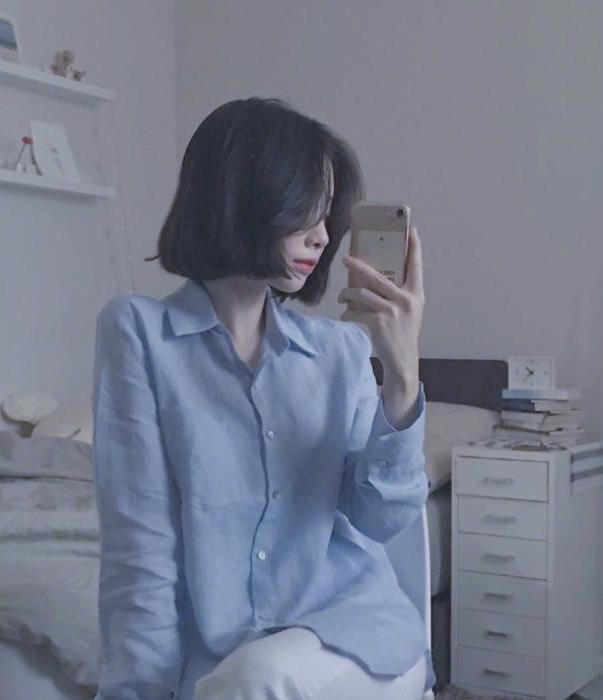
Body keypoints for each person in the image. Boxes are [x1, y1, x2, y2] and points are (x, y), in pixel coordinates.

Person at [91, 96, 435, 700]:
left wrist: (401, 373)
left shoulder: (341, 351)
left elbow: (381, 519)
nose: (322, 237)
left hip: (357, 637)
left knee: (255, 680)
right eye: (306, 211)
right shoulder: (139, 335)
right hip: (226, 653)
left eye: (328, 216)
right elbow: (140, 543)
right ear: (244, 195)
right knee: (238, 680)